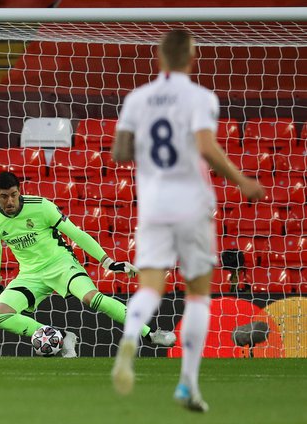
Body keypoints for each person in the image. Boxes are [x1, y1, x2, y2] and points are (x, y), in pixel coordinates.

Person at [110, 30, 265, 412]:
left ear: (159, 58)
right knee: (197, 294)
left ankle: (131, 336)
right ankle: (187, 385)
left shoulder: (137, 99)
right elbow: (206, 146)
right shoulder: (200, 98)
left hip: (154, 206)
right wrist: (242, 180)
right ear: (190, 58)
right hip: (193, 207)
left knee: (149, 287)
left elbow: (119, 152)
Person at [0, 171, 177, 358]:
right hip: (30, 275)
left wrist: (108, 261)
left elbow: (76, 234)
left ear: (20, 191)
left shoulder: (41, 207)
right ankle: (62, 337)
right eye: (4, 197)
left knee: (92, 298)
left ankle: (150, 334)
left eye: (13, 194)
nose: (10, 201)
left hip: (62, 265)